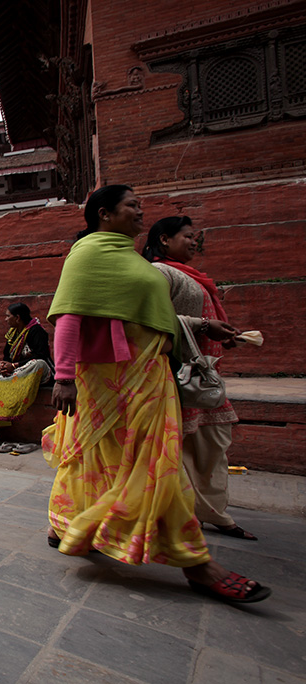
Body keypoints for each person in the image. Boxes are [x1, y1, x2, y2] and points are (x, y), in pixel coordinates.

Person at [44, 184, 269, 603]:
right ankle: (197, 564)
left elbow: (152, 315)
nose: (140, 212)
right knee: (152, 464)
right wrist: (63, 376)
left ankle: (67, 523)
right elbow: (70, 315)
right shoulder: (89, 253)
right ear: (104, 213)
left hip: (150, 373)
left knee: (110, 457)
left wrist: (202, 327)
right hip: (111, 379)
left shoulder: (132, 258)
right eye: (132, 206)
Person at [142, 216, 254, 540]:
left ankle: (213, 512)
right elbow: (150, 320)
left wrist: (221, 332)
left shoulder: (195, 278)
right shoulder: (158, 273)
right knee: (183, 450)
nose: (194, 242)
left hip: (203, 374)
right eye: (187, 236)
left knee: (214, 444)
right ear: (164, 239)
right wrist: (204, 326)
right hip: (179, 374)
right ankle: (186, 516)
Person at [0, 303, 54, 445]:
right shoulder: (12, 334)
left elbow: (41, 355)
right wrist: (4, 365)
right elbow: (7, 356)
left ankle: (8, 377)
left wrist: (13, 366)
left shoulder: (37, 331)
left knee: (37, 363)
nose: (6, 319)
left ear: (17, 318)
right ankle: (6, 375)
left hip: (35, 370)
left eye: (8, 316)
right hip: (15, 371)